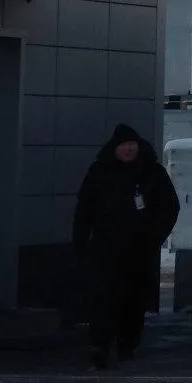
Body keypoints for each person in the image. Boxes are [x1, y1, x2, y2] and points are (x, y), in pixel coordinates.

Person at [73, 124, 180, 370]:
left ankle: (127, 346)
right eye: (124, 145)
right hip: (106, 250)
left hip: (140, 251)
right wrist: (79, 241)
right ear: (115, 148)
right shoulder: (100, 172)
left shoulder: (151, 173)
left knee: (134, 300)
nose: (128, 149)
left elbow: (169, 207)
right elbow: (84, 210)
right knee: (105, 300)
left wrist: (154, 236)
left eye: (132, 144)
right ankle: (99, 346)